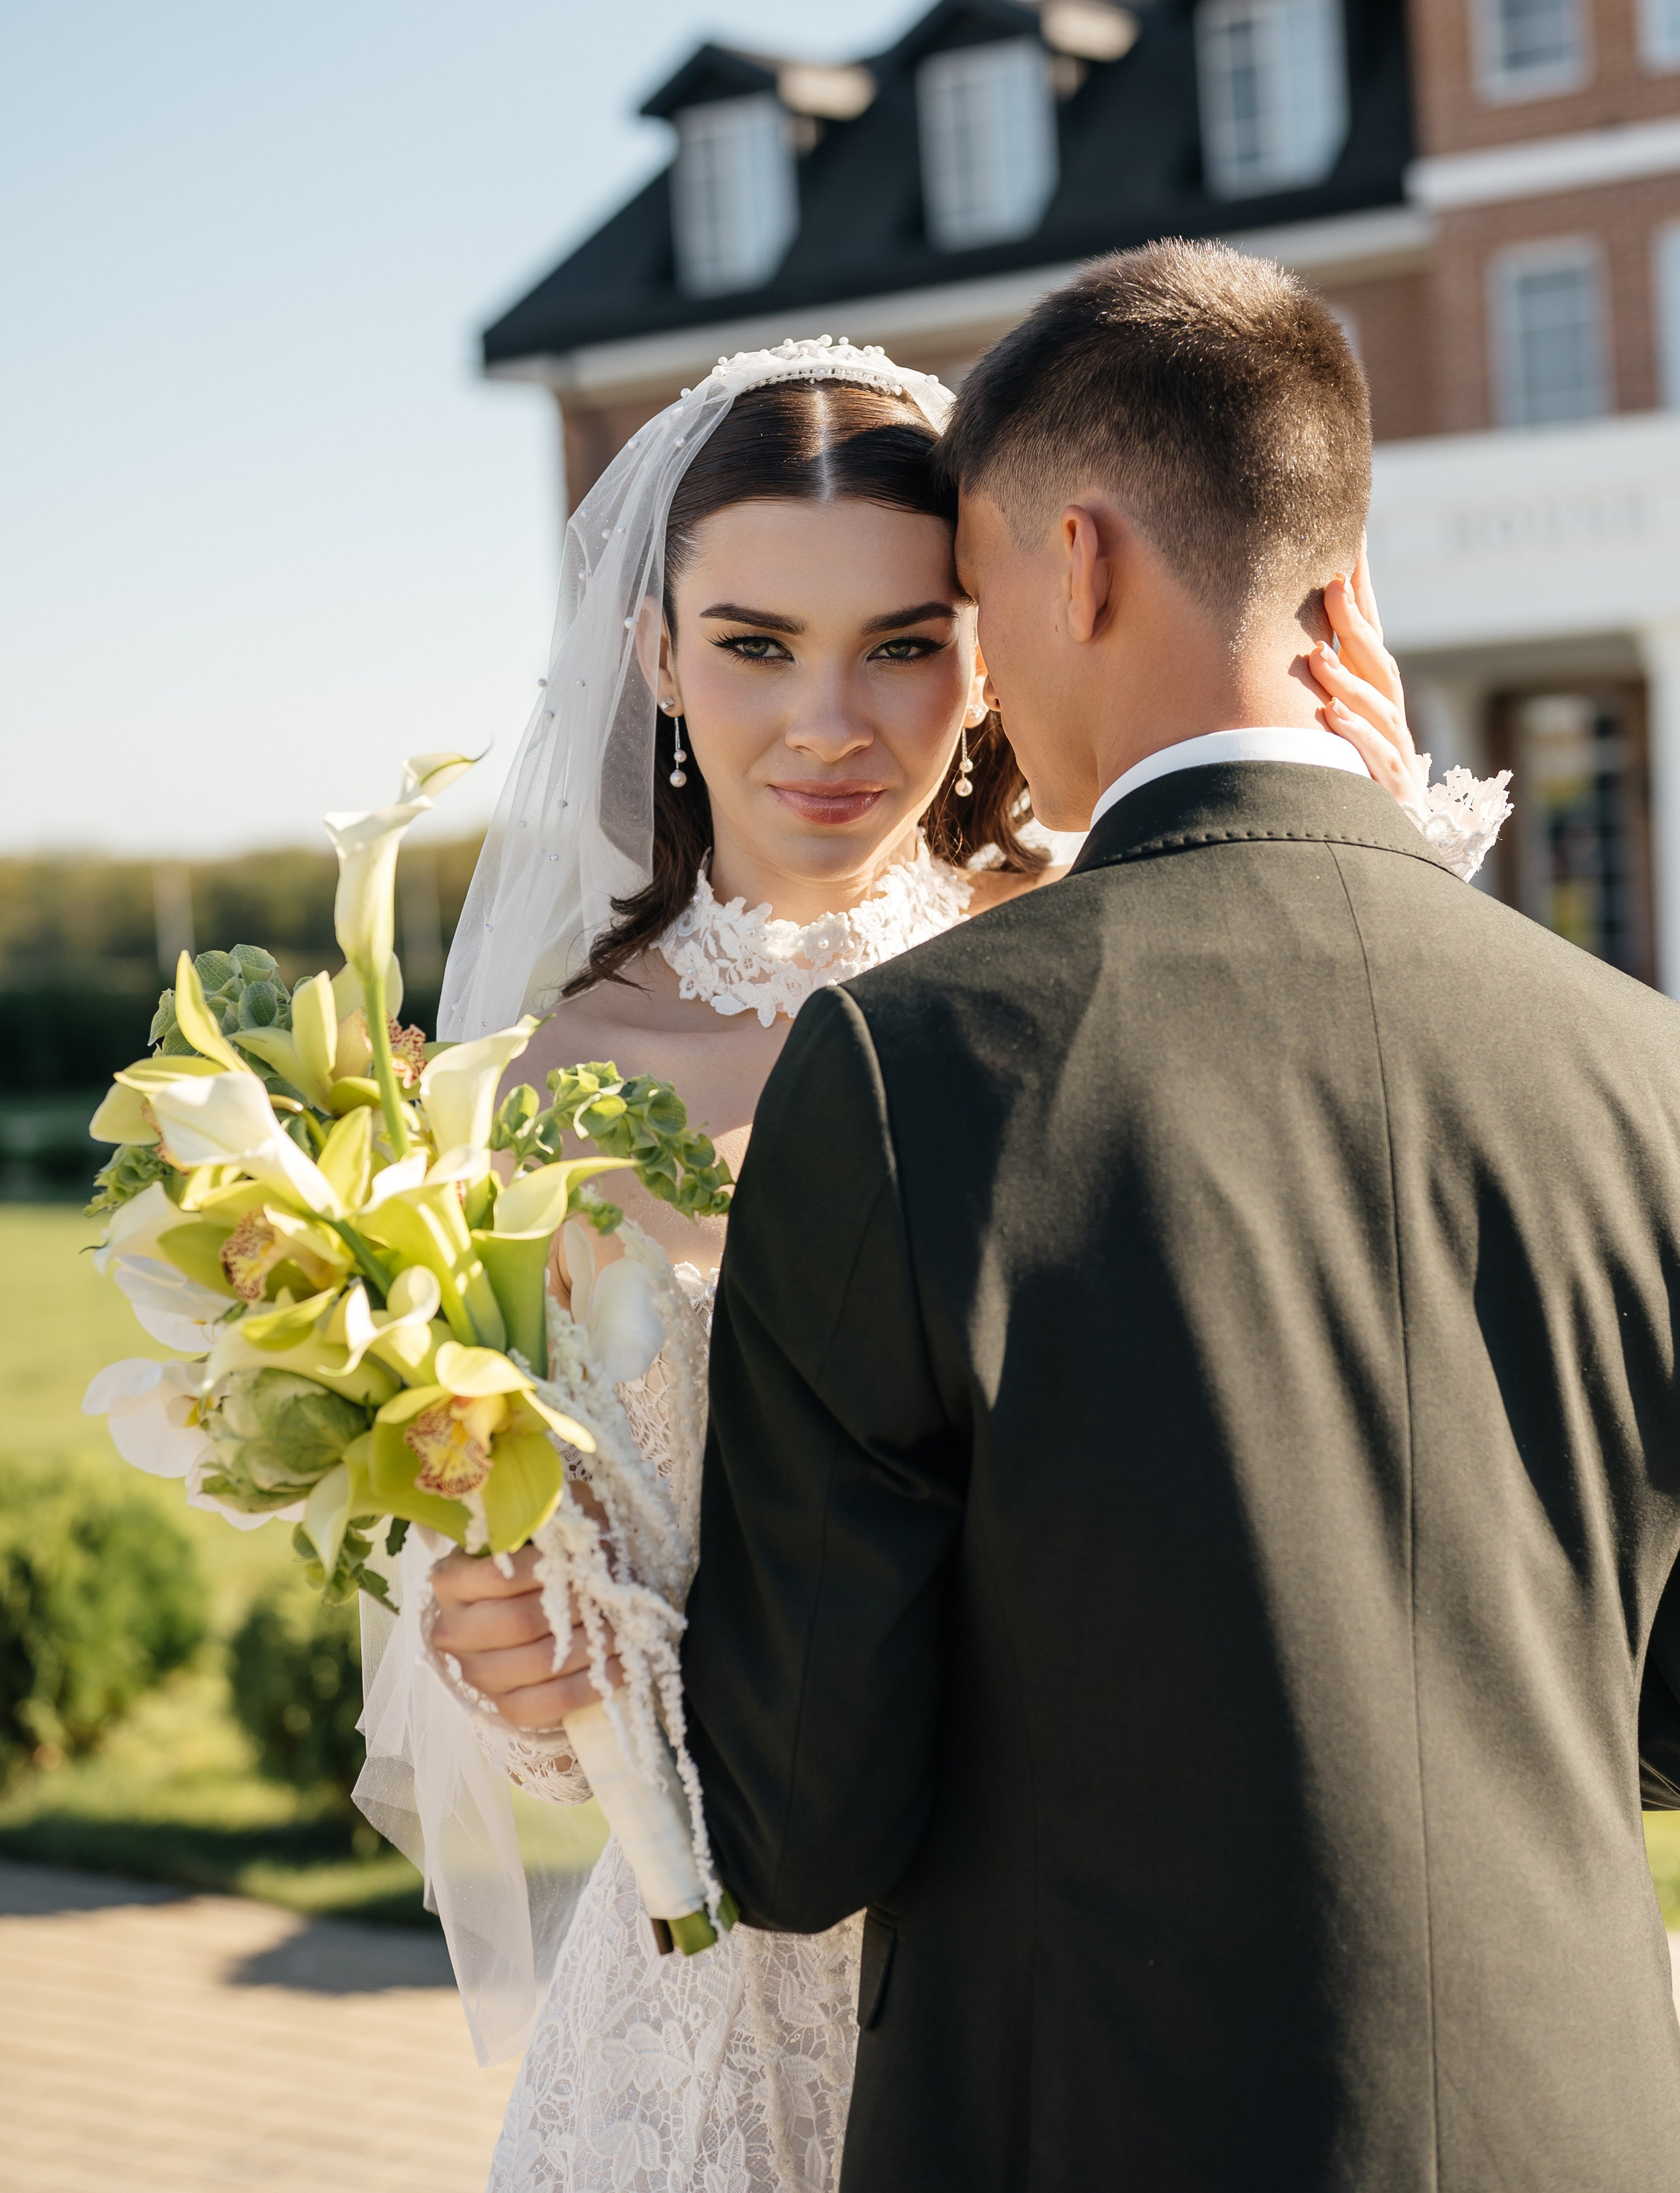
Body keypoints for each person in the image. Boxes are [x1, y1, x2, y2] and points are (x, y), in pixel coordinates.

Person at [400, 314, 1505, 2190]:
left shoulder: (1133, 963)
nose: (831, 722)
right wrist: (516, 1651)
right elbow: (545, 1619)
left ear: (992, 651)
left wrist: (1363, 863)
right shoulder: (528, 1094)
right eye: (757, 646)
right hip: (730, 1994)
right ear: (655, 654)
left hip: (1103, 1963)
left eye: (905, 644)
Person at [672, 247, 1680, 2192]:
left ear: (1077, 562)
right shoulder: (1645, 1069)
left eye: (962, 600)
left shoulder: (906, 1070)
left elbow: (800, 1825)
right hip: (1591, 2120)